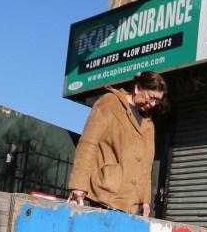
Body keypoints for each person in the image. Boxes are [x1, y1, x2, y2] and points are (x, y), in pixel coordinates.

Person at [67, 71, 169, 216]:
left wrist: (145, 200)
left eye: (157, 100)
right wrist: (79, 185)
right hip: (99, 199)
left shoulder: (148, 123)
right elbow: (88, 144)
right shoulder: (109, 103)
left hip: (128, 207)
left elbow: (147, 165)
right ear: (138, 88)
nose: (152, 104)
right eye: (151, 97)